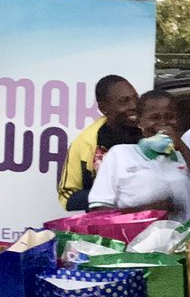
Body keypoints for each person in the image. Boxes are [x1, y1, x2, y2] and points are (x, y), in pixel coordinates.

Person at [87, 90, 190, 220]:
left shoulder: (185, 156)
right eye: (154, 118)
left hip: (187, 237)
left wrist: (182, 147)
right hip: (138, 238)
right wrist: (148, 210)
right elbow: (99, 209)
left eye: (170, 117)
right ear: (140, 122)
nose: (163, 123)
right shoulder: (119, 155)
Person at [57, 74, 139, 210]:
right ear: (103, 108)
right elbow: (68, 198)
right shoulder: (86, 143)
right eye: (124, 101)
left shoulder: (149, 133)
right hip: (107, 226)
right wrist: (116, 192)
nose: (134, 105)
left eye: (136, 98)